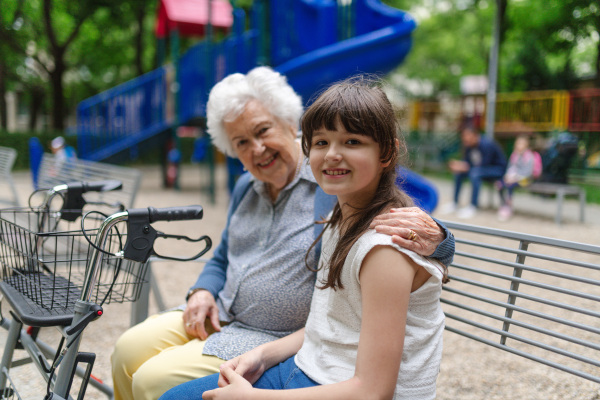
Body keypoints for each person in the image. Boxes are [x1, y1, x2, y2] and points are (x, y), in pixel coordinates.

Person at [111, 67, 455, 400]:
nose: (256, 149)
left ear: (291, 125)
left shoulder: (331, 189)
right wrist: (202, 290)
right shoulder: (255, 189)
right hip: (239, 318)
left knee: (150, 380)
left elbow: (401, 226)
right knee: (126, 350)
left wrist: (442, 239)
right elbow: (223, 255)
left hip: (279, 335)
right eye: (241, 142)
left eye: (262, 131)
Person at [442, 124, 506, 219]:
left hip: (497, 170)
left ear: (475, 135)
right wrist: (459, 165)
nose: (465, 139)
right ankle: (454, 203)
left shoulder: (487, 144)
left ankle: (473, 206)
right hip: (479, 170)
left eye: (467, 136)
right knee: (460, 173)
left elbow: (484, 164)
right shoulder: (469, 146)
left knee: (475, 173)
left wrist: (464, 166)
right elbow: (468, 163)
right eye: (463, 136)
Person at [496, 135, 541, 221]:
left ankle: (508, 207)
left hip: (525, 179)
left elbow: (528, 172)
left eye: (521, 144)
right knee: (499, 184)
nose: (519, 145)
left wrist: (515, 177)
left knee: (510, 185)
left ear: (526, 145)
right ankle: (503, 205)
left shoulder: (529, 156)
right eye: (518, 143)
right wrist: (508, 176)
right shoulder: (515, 155)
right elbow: (510, 167)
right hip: (513, 178)